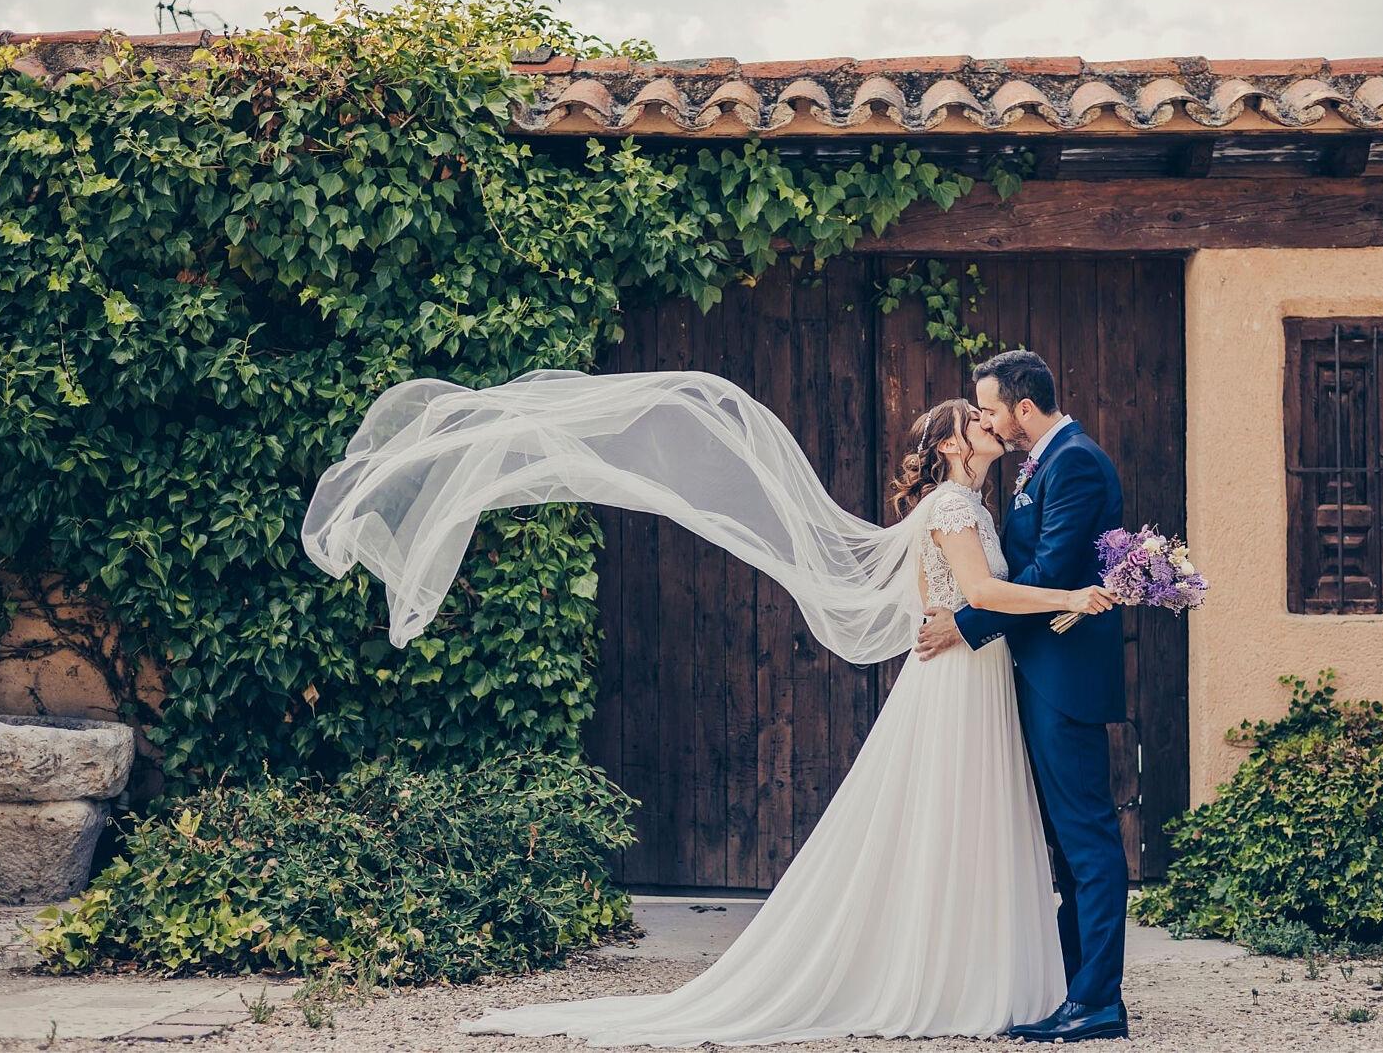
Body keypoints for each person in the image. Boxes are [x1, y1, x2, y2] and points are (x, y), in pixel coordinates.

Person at [300, 371, 1115, 1047]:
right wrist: (1073, 592)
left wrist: (989, 613)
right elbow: (976, 592)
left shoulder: (979, 504)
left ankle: (979, 972)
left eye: (989, 411)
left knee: (964, 825)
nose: (988, 425)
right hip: (959, 684)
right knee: (948, 822)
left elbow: (961, 600)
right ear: (949, 444)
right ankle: (954, 979)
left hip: (972, 675)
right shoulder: (951, 508)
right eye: (974, 419)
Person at [915, 348, 1130, 1044]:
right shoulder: (1039, 465)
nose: (988, 420)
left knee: (1087, 841)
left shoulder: (1074, 463)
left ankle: (1097, 1001)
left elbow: (1050, 568)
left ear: (1023, 409)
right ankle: (1077, 991)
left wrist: (966, 624)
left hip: (1063, 680)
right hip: (1037, 674)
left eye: (992, 409)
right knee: (1068, 848)